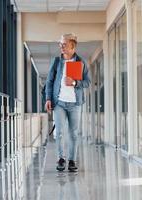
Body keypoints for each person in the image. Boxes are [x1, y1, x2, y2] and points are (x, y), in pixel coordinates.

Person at [45, 33, 91, 172]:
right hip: (59, 103)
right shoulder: (57, 62)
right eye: (60, 44)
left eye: (64, 44)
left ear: (72, 46)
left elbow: (87, 82)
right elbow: (50, 81)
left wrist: (75, 82)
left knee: (73, 133)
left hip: (75, 104)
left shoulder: (81, 63)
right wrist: (48, 98)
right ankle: (61, 158)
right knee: (59, 132)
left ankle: (72, 160)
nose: (61, 47)